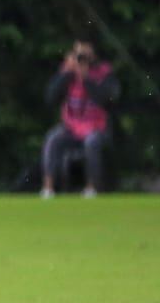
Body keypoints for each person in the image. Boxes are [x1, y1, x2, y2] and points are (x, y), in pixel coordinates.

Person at [40, 39, 119, 198]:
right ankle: (48, 188)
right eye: (78, 54)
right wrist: (66, 74)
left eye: (85, 54)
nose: (82, 58)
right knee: (53, 139)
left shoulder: (104, 73)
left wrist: (86, 79)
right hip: (71, 126)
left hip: (96, 126)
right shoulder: (68, 73)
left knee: (92, 142)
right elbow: (50, 98)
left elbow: (106, 100)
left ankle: (91, 187)